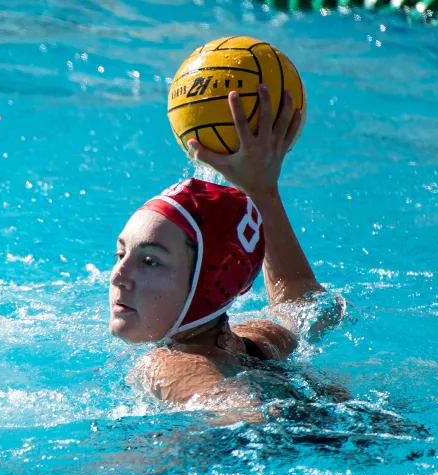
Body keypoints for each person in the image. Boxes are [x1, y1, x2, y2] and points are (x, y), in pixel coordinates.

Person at [109, 85, 343, 413]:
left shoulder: (164, 365)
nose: (119, 277)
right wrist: (261, 191)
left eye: (150, 262)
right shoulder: (255, 342)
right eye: (121, 255)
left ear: (208, 283)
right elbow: (305, 304)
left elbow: (237, 410)